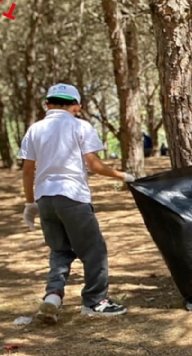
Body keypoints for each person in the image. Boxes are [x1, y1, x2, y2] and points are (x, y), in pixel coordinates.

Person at [20, 83, 133, 322]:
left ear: (47, 104)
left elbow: (28, 170)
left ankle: (53, 296)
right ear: (77, 107)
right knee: (94, 251)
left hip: (45, 199)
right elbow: (93, 165)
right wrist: (121, 175)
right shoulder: (81, 126)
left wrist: (30, 203)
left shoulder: (35, 129)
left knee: (59, 251)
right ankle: (95, 302)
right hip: (72, 196)